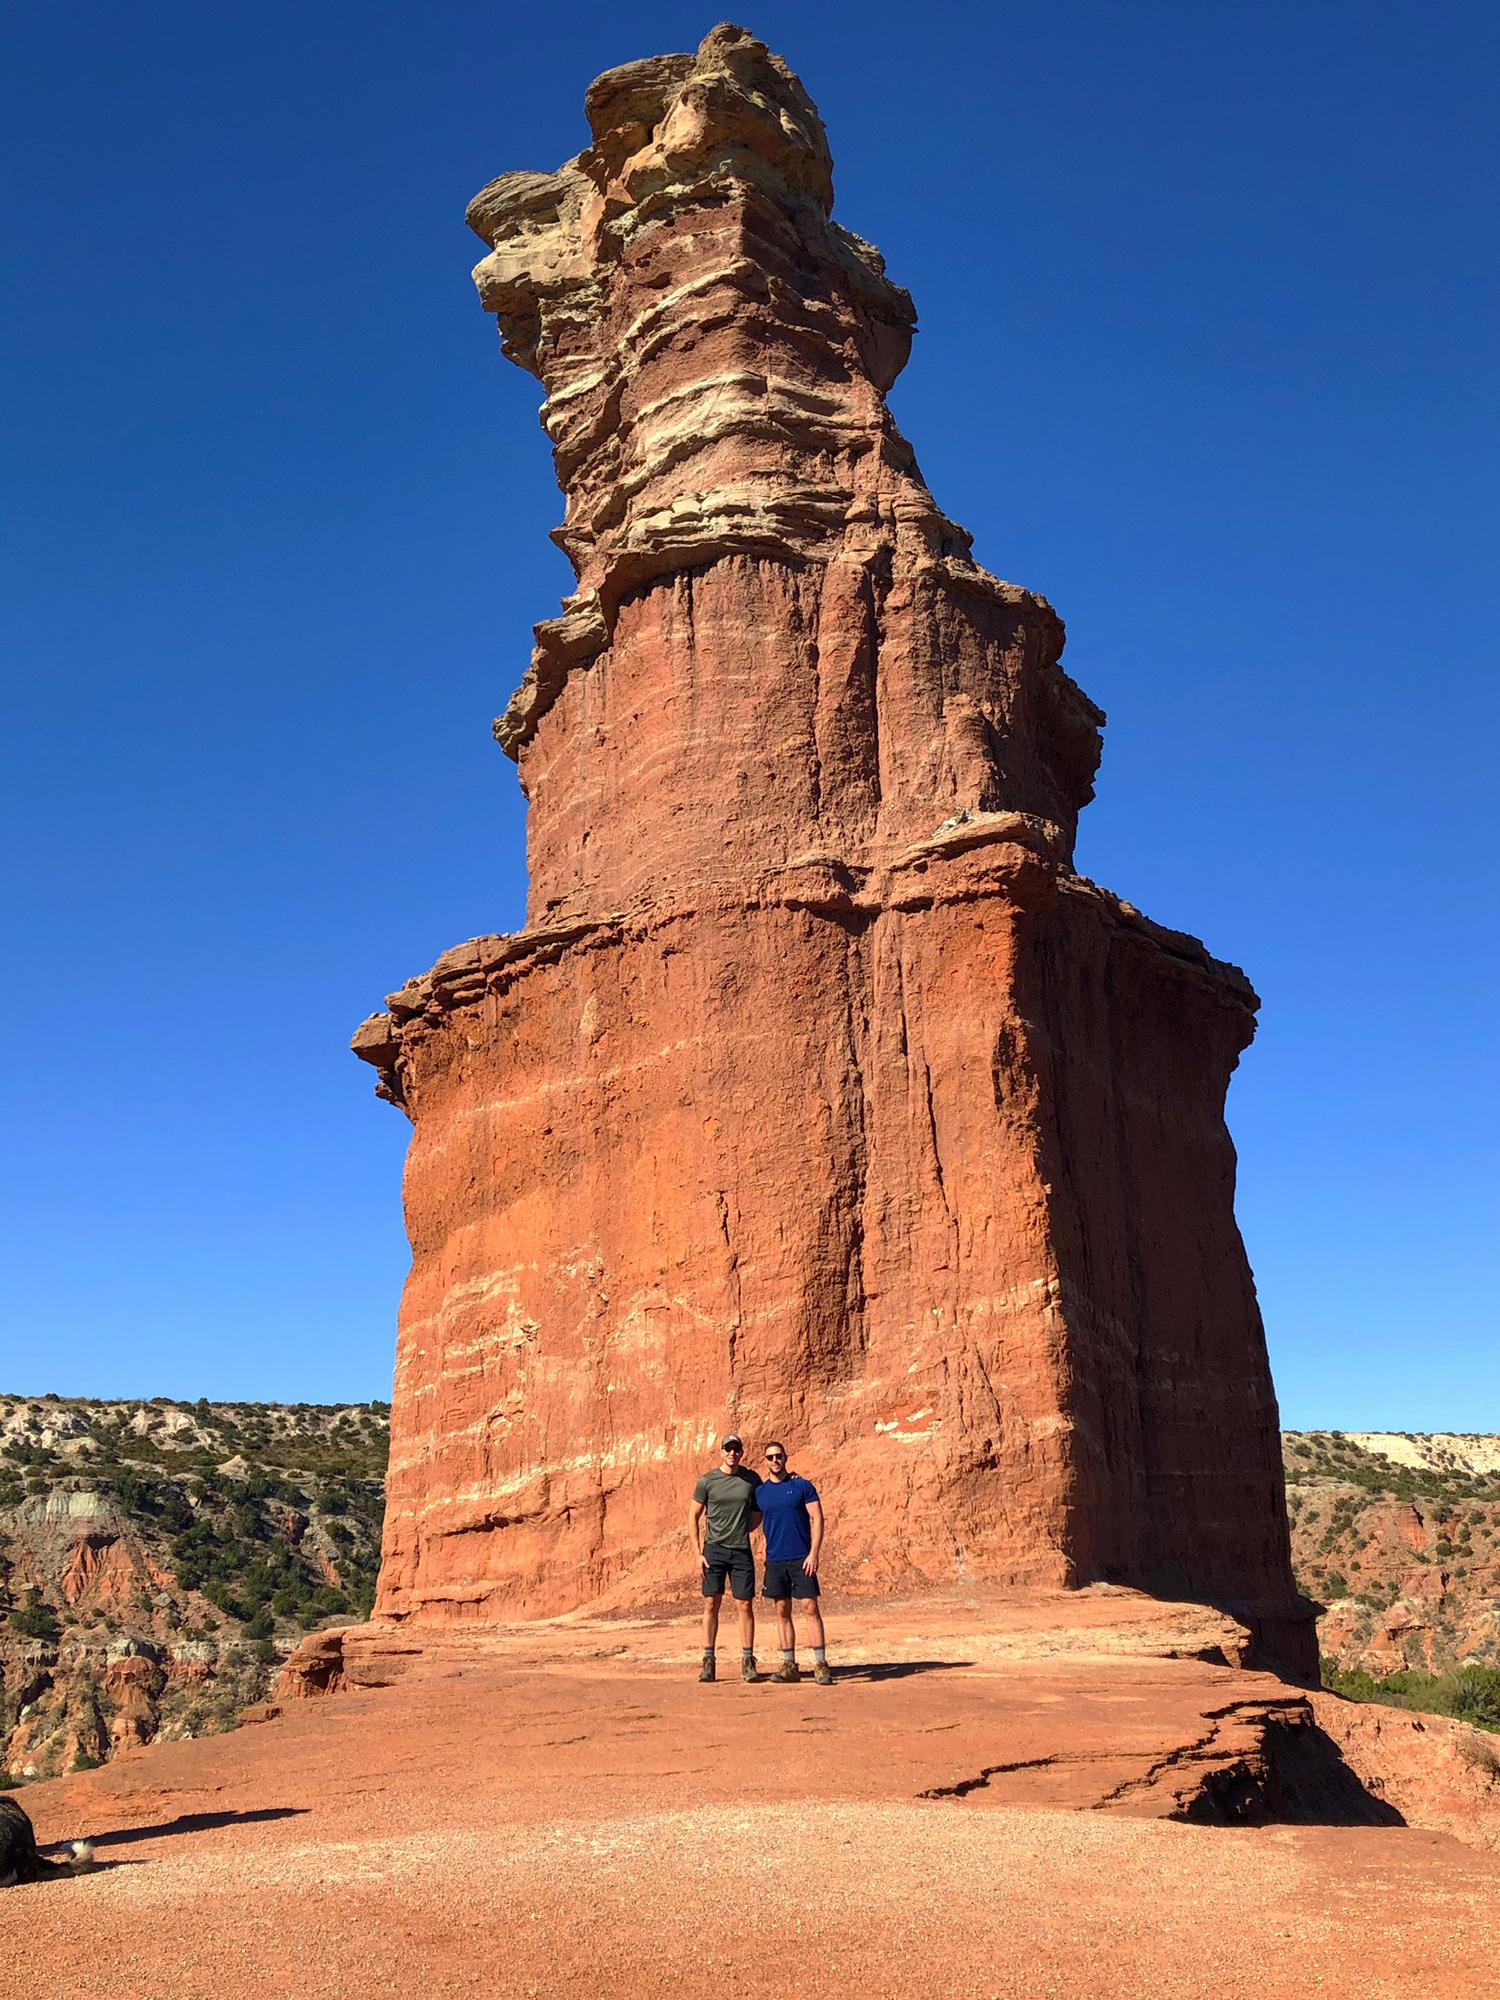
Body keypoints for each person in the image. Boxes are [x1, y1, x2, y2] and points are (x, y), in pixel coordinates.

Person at [755, 1441, 831, 1684]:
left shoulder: (802, 1486)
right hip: (775, 1561)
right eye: (770, 1457)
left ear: (785, 1458)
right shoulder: (760, 1493)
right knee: (782, 1611)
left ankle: (820, 1665)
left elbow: (818, 1518)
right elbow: (750, 1522)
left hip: (801, 1558)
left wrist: (814, 1553)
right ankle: (789, 1666)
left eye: (778, 1456)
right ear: (765, 1461)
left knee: (810, 1607)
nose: (775, 1460)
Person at [689, 1434, 763, 1683]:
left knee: (745, 1604)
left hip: (741, 1550)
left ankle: (747, 1661)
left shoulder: (751, 1479)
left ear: (742, 1452)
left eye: (736, 1449)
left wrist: (742, 1530)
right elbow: (693, 1516)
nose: (732, 1453)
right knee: (711, 1603)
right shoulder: (707, 1480)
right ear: (721, 1452)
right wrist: (697, 1553)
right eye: (728, 1449)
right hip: (714, 1550)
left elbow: (758, 1511)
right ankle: (708, 1661)